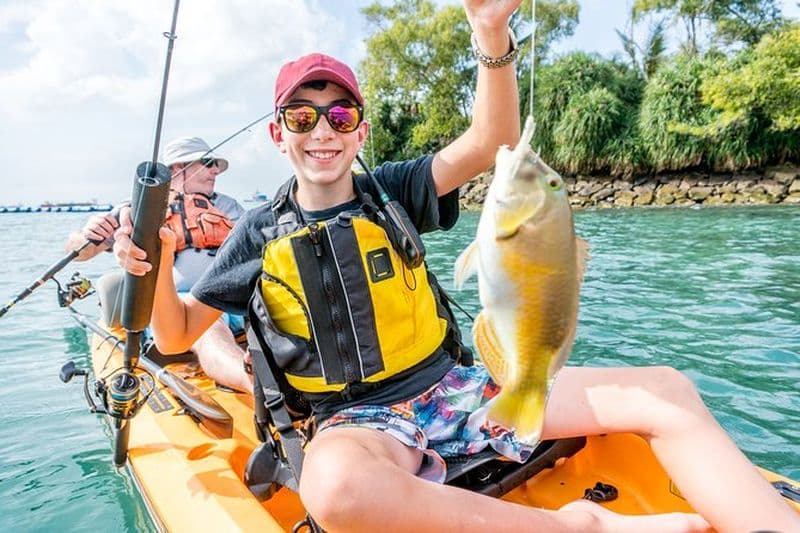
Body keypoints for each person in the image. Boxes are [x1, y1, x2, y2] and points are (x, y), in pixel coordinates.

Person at [111, 1, 800, 531]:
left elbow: (491, 141)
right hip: (362, 423)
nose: (321, 130)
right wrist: (157, 259)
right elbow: (173, 337)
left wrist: (491, 35)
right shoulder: (258, 232)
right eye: (301, 116)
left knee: (668, 391)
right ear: (277, 132)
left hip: (464, 388)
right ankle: (573, 525)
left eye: (340, 113)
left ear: (361, 127)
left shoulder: (397, 190)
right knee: (334, 487)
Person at [66, 136, 253, 393]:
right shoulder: (137, 208)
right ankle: (260, 390)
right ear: (179, 167)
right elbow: (79, 252)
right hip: (180, 311)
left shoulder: (229, 206)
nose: (215, 171)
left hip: (235, 302)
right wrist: (89, 233)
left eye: (216, 166)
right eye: (208, 163)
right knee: (209, 328)